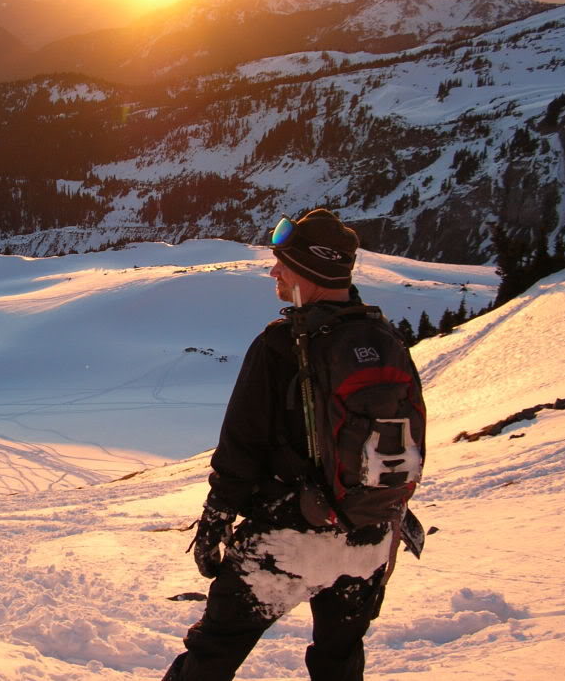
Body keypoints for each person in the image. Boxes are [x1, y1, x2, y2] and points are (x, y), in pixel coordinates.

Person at [163, 208, 423, 681]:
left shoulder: (282, 344)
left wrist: (216, 518)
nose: (273, 272)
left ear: (310, 271)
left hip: (287, 541)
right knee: (338, 660)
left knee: (213, 653)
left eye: (284, 263)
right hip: (369, 540)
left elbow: (240, 449)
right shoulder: (387, 338)